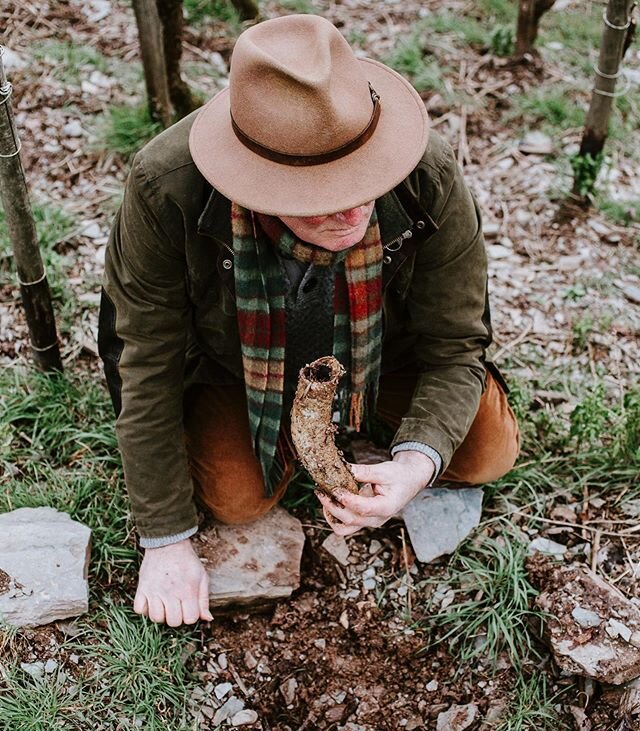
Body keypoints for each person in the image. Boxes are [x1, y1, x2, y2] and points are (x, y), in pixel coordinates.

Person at [98, 14, 520, 628]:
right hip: (235, 370)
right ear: (259, 183)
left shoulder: (426, 173)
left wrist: (416, 462)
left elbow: (457, 343)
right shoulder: (166, 190)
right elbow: (145, 363)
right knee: (237, 500)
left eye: (363, 179)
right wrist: (164, 540)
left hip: (386, 356)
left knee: (485, 451)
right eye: (319, 196)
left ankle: (364, 426)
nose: (351, 210)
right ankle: (300, 436)